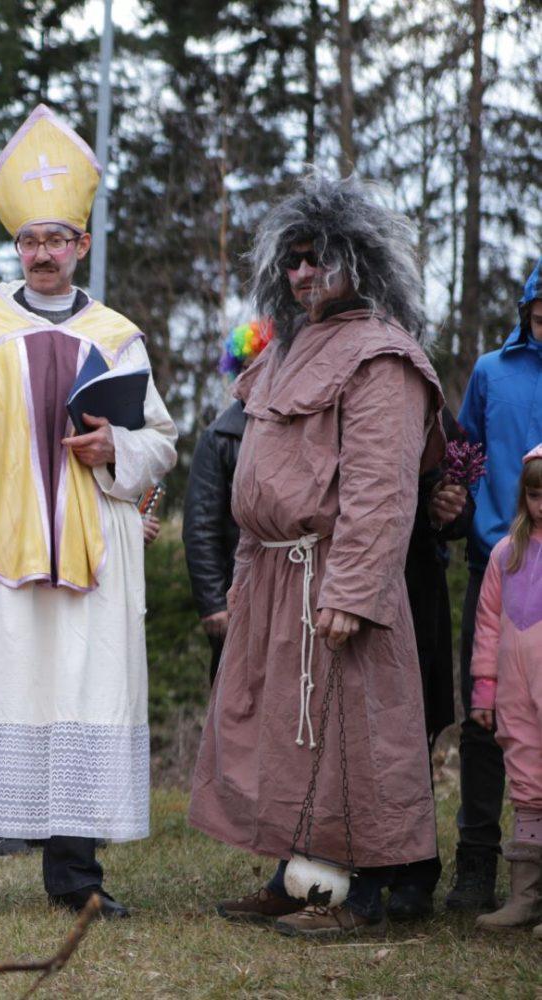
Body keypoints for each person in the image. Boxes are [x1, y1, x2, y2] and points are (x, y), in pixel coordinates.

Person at [0, 104, 178, 917]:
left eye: (58, 239)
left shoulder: (117, 335)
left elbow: (160, 441)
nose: (44, 253)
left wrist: (114, 447)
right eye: (31, 241)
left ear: (82, 245)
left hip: (87, 542)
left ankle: (76, 880)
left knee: (77, 696)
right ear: (16, 247)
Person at [190, 175, 445, 937]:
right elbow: (256, 483)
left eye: (319, 257)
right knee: (287, 735)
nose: (303, 272)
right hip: (276, 576)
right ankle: (293, 878)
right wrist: (243, 581)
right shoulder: (281, 353)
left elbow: (381, 489)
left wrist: (353, 592)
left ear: (359, 261)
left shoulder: (382, 357)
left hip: (333, 577)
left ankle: (358, 900)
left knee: (353, 738)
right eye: (293, 259)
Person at [449, 256, 542, 911]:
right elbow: (464, 458)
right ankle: (478, 865)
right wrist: (472, 523)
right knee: (484, 718)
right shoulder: (491, 373)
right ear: (527, 309)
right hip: (499, 565)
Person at [384, 409, 473, 920]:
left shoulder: (428, 407)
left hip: (415, 589)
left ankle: (414, 871)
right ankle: (350, 863)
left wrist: (447, 509)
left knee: (410, 732)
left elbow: (461, 503)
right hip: (341, 579)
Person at [469, 446, 542, 935]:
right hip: (517, 695)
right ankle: (525, 898)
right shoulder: (505, 554)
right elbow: (487, 626)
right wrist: (484, 692)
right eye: (535, 495)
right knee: (528, 785)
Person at [183, 321, 272, 682]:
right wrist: (212, 604)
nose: (259, 376)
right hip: (235, 597)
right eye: (249, 367)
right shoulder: (219, 437)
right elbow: (200, 526)